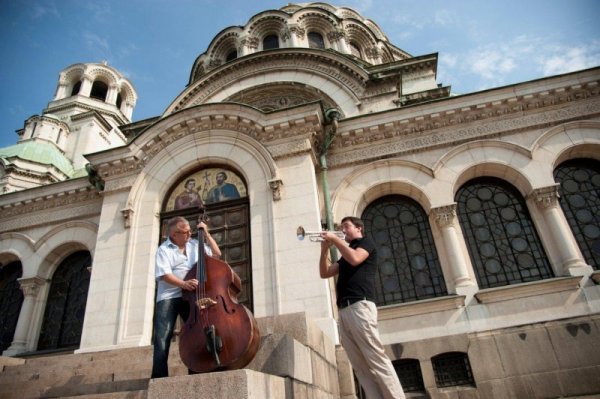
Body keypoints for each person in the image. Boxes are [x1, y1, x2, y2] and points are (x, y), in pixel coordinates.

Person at [319, 216, 405, 399]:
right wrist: (324, 249)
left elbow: (356, 259)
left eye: (346, 226)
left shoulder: (366, 242)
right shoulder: (346, 253)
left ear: (358, 228)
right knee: (360, 367)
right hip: (344, 310)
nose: (342, 230)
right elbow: (324, 272)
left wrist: (334, 240)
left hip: (360, 306)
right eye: (341, 227)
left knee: (376, 358)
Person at [151, 216, 221, 379]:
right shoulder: (164, 250)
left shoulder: (195, 244)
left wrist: (206, 233)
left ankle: (197, 369)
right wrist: (183, 284)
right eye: (186, 232)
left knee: (197, 332)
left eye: (191, 230)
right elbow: (164, 275)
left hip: (191, 296)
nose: (190, 234)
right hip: (169, 297)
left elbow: (216, 255)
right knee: (163, 335)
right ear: (175, 234)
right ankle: (159, 376)